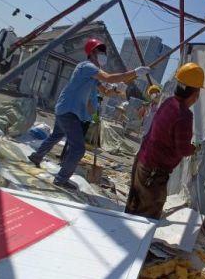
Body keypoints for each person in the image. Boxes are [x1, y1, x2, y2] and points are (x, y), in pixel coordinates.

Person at [28, 38, 150, 190]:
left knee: (56, 135)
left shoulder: (92, 75)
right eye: (101, 52)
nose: (104, 55)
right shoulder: (87, 66)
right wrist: (135, 73)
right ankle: (60, 179)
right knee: (78, 149)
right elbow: (109, 77)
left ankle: (36, 156)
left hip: (66, 109)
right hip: (69, 111)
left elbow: (105, 91)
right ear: (92, 53)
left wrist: (115, 88)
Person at [125, 63, 204, 219]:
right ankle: (136, 242)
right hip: (154, 171)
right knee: (147, 215)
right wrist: (194, 148)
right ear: (195, 93)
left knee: (134, 207)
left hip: (143, 161)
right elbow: (183, 149)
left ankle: (125, 242)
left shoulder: (168, 103)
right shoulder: (184, 115)